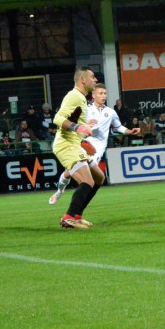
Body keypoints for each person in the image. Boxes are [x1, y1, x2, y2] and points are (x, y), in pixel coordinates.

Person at [50, 82, 141, 207]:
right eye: (100, 93)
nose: (103, 96)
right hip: (83, 143)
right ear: (93, 95)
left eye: (104, 93)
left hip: (97, 149)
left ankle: (76, 208)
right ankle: (61, 193)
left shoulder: (110, 112)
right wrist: (85, 125)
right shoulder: (85, 109)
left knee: (87, 178)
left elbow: (118, 127)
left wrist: (130, 131)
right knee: (69, 172)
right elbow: (75, 123)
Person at [51, 67, 105, 229]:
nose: (95, 80)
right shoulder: (74, 96)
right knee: (87, 181)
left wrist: (83, 126)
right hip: (65, 145)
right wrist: (77, 128)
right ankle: (68, 217)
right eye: (92, 77)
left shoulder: (80, 98)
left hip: (74, 144)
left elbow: (71, 120)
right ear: (82, 79)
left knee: (99, 177)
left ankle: (77, 215)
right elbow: (58, 118)